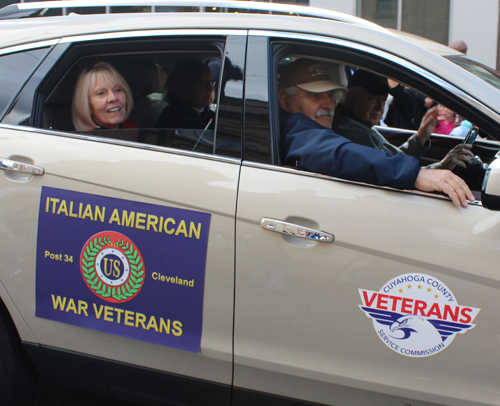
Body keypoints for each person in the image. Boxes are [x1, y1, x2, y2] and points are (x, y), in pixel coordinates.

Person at [278, 58, 474, 207]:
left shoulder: (316, 127)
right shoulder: (298, 129)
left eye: (330, 95)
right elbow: (339, 153)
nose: (329, 105)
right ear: (285, 101)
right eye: (314, 96)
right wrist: (414, 174)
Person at [332, 69, 473, 171]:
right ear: (351, 97)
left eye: (383, 100)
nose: (379, 107)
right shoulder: (353, 133)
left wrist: (421, 136)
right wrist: (442, 166)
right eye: (372, 98)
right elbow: (395, 173)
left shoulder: (359, 125)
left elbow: (394, 159)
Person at [72, 62, 136, 131]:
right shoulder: (84, 140)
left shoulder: (130, 127)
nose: (113, 98)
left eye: (117, 90)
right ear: (87, 105)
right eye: (101, 93)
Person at [156, 61, 215, 130]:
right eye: (203, 83)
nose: (210, 88)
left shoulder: (210, 115)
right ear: (186, 86)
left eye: (211, 82)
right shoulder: (173, 119)